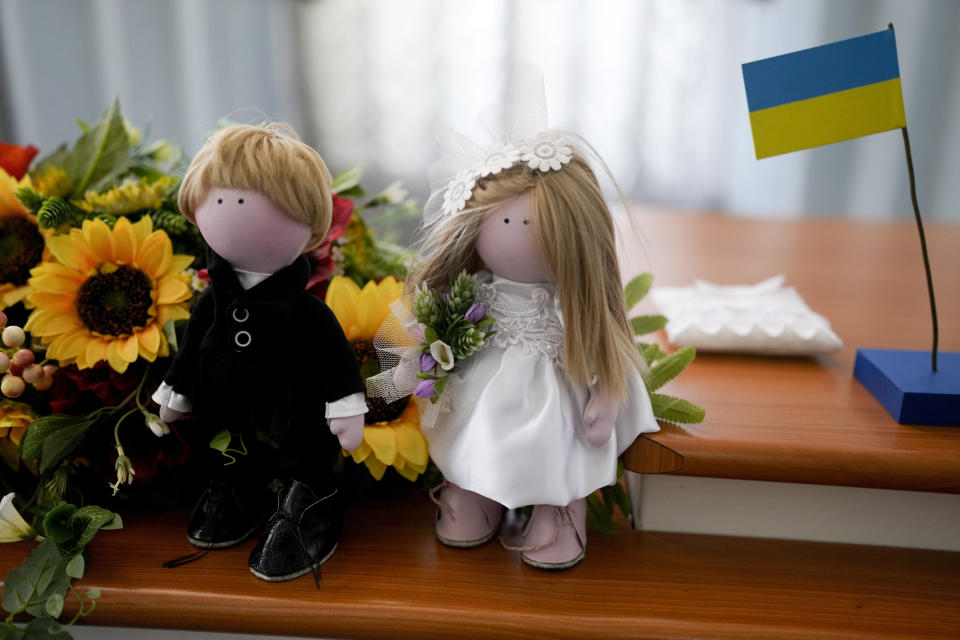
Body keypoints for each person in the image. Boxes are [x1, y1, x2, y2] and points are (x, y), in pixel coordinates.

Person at [152, 123, 367, 582]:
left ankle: (309, 498)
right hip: (225, 409)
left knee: (302, 452)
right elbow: (191, 347)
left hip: (294, 408)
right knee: (226, 448)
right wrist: (176, 390)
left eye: (247, 199)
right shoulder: (212, 299)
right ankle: (236, 488)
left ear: (311, 223)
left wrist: (346, 405)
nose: (230, 208)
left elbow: (334, 357)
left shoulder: (305, 310)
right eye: (220, 198)